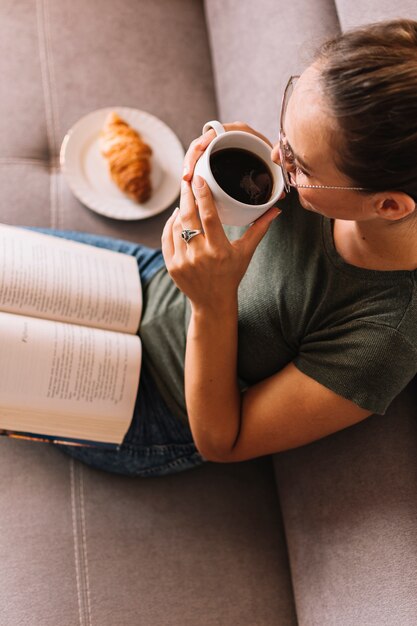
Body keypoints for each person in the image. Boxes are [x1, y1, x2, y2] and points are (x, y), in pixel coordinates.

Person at [51, 17, 417, 476]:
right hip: (146, 281)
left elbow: (224, 441)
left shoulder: (383, 337)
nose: (278, 159)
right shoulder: (336, 180)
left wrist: (212, 302)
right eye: (284, 138)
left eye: (298, 163)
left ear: (387, 206)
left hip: (157, 404)